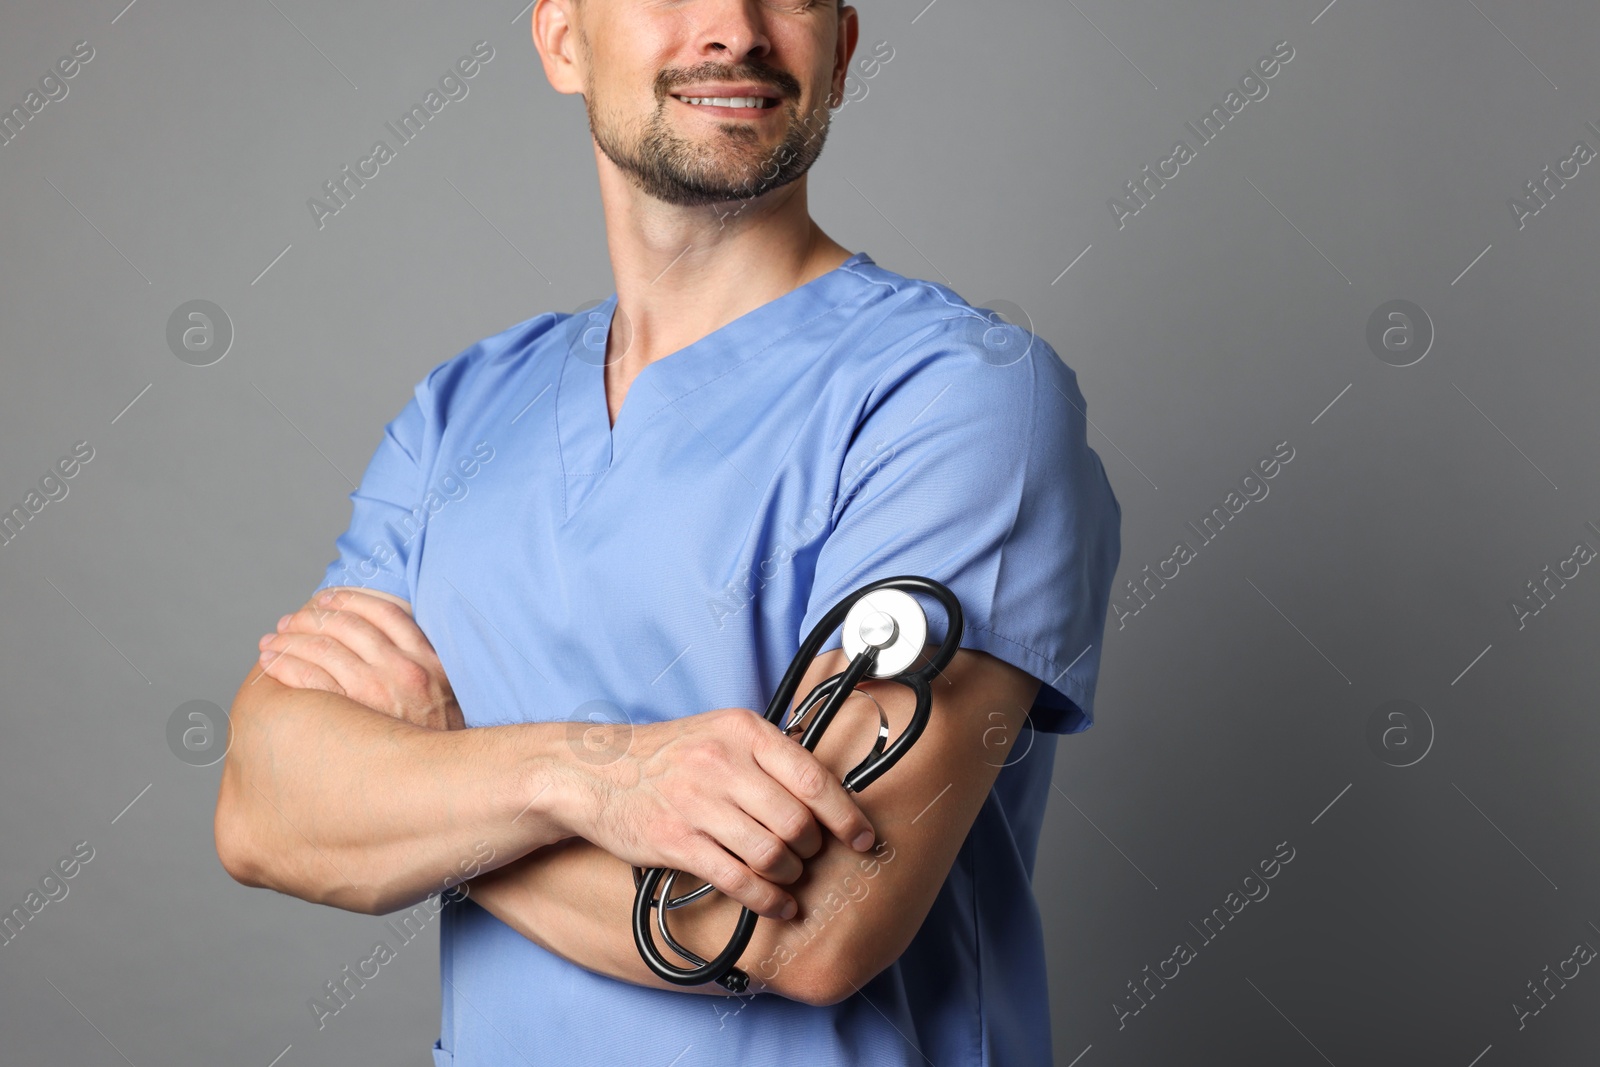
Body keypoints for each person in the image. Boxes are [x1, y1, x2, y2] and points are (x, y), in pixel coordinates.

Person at [213, 1, 1123, 1063]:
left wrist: (434, 781)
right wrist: (583, 775)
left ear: (841, 50)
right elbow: (262, 807)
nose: (733, 29)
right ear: (562, 40)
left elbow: (818, 923)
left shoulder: (962, 399)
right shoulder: (461, 413)